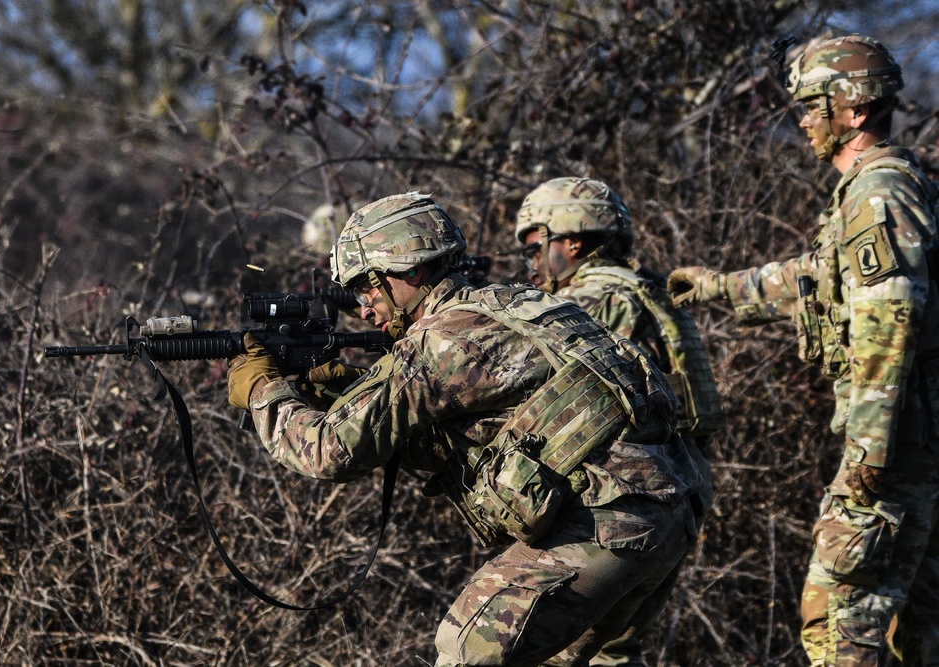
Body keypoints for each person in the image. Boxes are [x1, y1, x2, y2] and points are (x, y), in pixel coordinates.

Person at [227, 191, 703, 666]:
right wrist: (358, 396)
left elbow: (326, 451)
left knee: (464, 651)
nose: (364, 308)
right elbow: (487, 432)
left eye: (366, 287)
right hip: (673, 508)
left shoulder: (441, 337)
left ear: (410, 271)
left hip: (604, 525)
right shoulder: (522, 302)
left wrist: (262, 390)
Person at [667, 34, 939, 666]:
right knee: (910, 629)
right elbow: (818, 281)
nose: (804, 119)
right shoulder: (882, 191)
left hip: (896, 450)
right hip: (912, 442)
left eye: (814, 104)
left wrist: (868, 447)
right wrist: (716, 287)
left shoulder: (879, 193)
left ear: (857, 109)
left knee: (838, 617)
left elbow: (890, 316)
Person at [515, 177, 722, 666]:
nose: (532, 262)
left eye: (535, 246)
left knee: (555, 650)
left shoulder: (595, 300)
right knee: (614, 652)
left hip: (621, 500)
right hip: (682, 488)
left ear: (572, 241)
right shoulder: (647, 289)